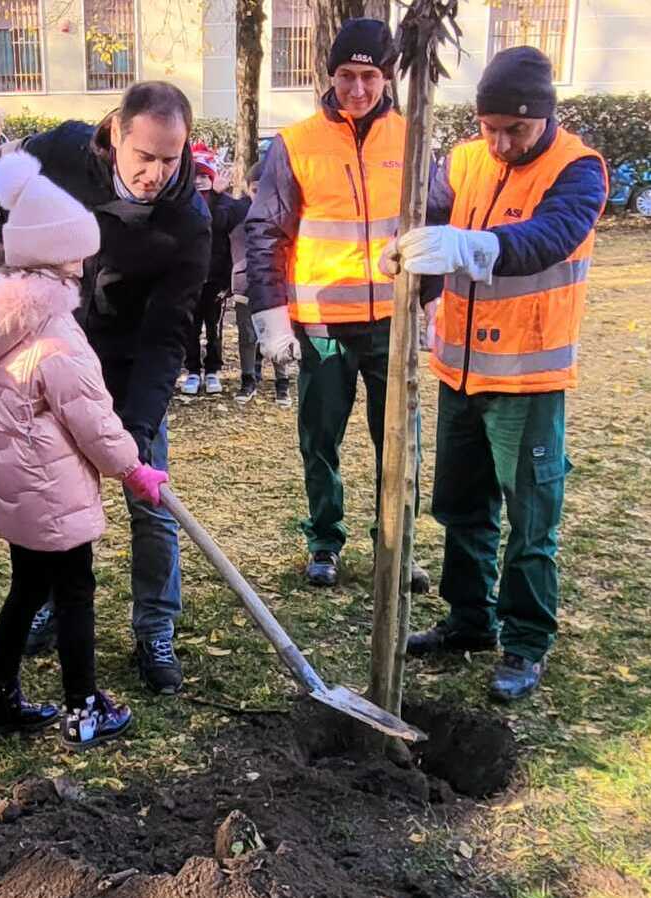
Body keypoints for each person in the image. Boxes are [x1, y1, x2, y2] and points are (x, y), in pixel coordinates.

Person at [0, 81, 210, 695]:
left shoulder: (188, 224)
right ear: (116, 135)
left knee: (150, 504)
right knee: (55, 495)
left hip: (125, 366)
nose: (156, 172)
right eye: (144, 157)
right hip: (48, 352)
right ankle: (50, 599)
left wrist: (138, 430)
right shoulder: (64, 152)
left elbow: (168, 335)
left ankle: (155, 625)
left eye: (170, 159)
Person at [386, 46, 608, 702]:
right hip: (459, 369)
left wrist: (476, 245)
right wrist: (404, 254)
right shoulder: (462, 160)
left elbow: (549, 237)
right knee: (462, 506)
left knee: (530, 515)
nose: (503, 142)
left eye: (518, 129)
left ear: (545, 118)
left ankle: (526, 640)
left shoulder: (578, 169)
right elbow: (426, 220)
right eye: (491, 128)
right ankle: (468, 619)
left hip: (527, 378)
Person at [0, 152, 170, 748]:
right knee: (74, 593)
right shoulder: (56, 335)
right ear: (63, 264)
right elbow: (93, 420)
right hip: (55, 494)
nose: (85, 272)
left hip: (15, 491)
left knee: (26, 590)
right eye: (79, 261)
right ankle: (84, 706)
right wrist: (134, 469)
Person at [246, 18, 429, 593]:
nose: (357, 89)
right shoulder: (296, 143)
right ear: (329, 76)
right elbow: (264, 234)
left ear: (388, 77)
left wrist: (432, 305)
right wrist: (271, 316)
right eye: (346, 76)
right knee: (319, 438)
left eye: (369, 76)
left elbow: (438, 224)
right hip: (321, 323)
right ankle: (324, 540)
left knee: (398, 442)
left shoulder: (413, 138)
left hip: (390, 324)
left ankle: (395, 547)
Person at [181, 144, 244, 397]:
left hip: (215, 280)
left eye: (205, 176)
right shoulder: (182, 203)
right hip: (189, 280)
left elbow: (221, 229)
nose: (200, 181)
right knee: (190, 328)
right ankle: (193, 370)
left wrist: (228, 281)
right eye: (195, 176)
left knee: (214, 328)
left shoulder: (227, 205)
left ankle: (213, 370)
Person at [231, 160, 291, 407]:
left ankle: (282, 383)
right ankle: (248, 380)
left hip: (276, 286)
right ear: (247, 188)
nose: (259, 194)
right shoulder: (235, 211)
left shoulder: (281, 212)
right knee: (247, 336)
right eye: (255, 189)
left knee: (277, 334)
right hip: (244, 284)